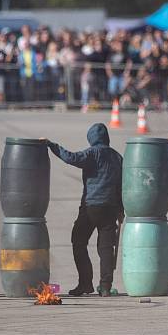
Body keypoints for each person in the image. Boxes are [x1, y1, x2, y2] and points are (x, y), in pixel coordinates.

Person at [47, 123, 123, 297]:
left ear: (91, 139)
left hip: (91, 207)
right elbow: (122, 186)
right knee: (105, 248)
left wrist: (53, 146)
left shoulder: (92, 153)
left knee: (78, 241)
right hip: (110, 208)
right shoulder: (117, 157)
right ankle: (105, 287)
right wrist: (121, 209)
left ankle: (85, 283)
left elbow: (71, 158)